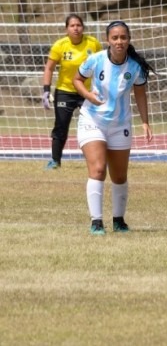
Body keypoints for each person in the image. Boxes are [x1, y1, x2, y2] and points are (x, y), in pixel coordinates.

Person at [72, 20, 155, 235]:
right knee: (98, 169)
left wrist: (145, 122)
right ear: (108, 40)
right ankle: (96, 222)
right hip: (93, 121)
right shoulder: (96, 60)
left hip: (120, 125)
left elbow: (140, 93)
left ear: (129, 40)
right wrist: (88, 95)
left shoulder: (135, 67)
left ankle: (119, 220)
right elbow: (77, 79)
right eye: (115, 37)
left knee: (119, 176)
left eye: (123, 37)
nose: (119, 41)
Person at [42, 14, 103, 170]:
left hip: (87, 92)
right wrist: (46, 90)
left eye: (78, 25)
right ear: (66, 29)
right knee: (61, 126)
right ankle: (55, 161)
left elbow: (102, 65)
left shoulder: (93, 43)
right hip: (65, 91)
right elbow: (49, 68)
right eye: (72, 26)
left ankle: (100, 159)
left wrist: (102, 87)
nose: (76, 28)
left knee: (97, 124)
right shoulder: (60, 45)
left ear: (83, 27)